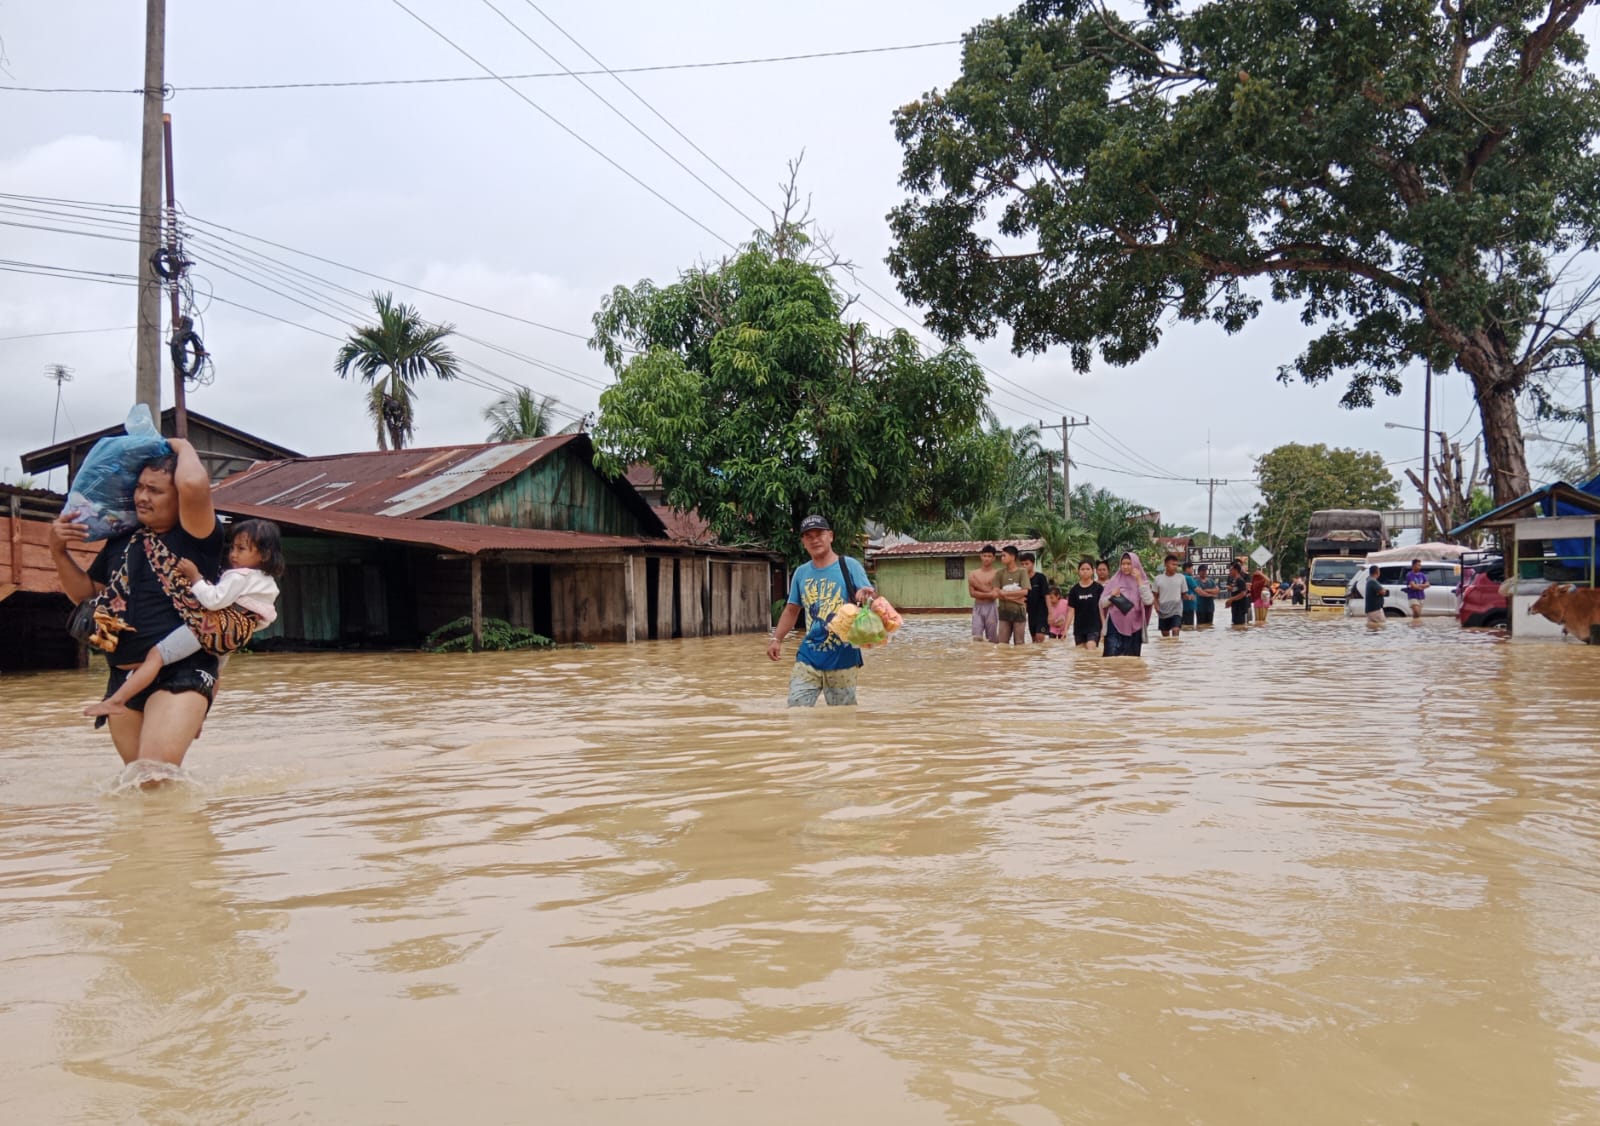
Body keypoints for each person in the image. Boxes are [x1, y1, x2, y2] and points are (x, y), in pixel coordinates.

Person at [50, 438, 225, 771]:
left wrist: (182, 445)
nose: (143, 497)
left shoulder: (196, 535)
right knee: (139, 782)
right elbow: (87, 596)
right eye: (140, 488)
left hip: (182, 671)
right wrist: (58, 552)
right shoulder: (123, 540)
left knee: (154, 773)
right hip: (123, 677)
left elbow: (193, 484)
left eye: (155, 491)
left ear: (179, 498)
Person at [83, 519, 284, 718]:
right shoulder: (268, 582)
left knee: (155, 656)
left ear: (264, 554)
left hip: (211, 627)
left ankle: (117, 700)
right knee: (214, 673)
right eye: (233, 547)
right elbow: (264, 618)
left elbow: (213, 601)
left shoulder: (240, 576)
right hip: (235, 634)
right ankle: (199, 719)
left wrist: (195, 577)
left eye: (241, 549)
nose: (233, 554)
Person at [768, 514, 876, 706]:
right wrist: (777, 639)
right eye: (809, 536)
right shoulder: (801, 572)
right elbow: (792, 610)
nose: (815, 540)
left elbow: (872, 600)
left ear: (831, 536)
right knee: (796, 707)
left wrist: (866, 596)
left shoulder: (849, 566)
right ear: (803, 542)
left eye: (819, 534)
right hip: (809, 654)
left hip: (844, 655)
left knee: (842, 715)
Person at [1099, 551, 1154, 657]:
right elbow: (1102, 604)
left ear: (1135, 564)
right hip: (1114, 626)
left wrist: (1139, 580)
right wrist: (1112, 596)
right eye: (1123, 564)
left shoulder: (1143, 583)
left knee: (1131, 661)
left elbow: (1148, 601)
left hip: (1135, 628)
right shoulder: (1114, 581)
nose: (1125, 567)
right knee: (1110, 660)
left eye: (1129, 564)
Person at [995, 544, 1029, 646]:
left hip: (1019, 612)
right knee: (1002, 643)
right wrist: (1016, 598)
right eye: (1001, 556)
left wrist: (1005, 594)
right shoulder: (999, 573)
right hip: (1004, 611)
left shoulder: (1022, 572)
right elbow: (996, 592)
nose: (1002, 558)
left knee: (1019, 643)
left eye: (1004, 555)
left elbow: (1025, 592)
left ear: (1013, 557)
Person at [1066, 559, 1103, 648]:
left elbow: (1102, 609)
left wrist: (1104, 627)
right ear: (1078, 571)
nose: (1085, 571)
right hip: (1079, 628)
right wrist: (1065, 629)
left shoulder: (1098, 588)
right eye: (1082, 569)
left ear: (1092, 571)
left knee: (1090, 648)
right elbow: (1071, 611)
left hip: (1094, 627)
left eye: (1088, 569)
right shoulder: (1074, 590)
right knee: (1080, 653)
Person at [968, 544, 1000, 643]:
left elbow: (995, 595)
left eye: (989, 556)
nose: (986, 558)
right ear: (981, 556)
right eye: (984, 556)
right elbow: (972, 593)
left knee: (992, 638)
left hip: (991, 607)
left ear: (994, 558)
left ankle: (992, 653)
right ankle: (979, 653)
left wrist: (978, 585)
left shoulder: (997, 574)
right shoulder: (973, 574)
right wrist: (989, 593)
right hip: (978, 607)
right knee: (977, 637)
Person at [1153, 553, 1187, 639]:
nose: (1175, 567)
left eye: (1176, 565)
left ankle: (1176, 646)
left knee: (1176, 630)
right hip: (1163, 610)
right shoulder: (1158, 579)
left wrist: (1189, 597)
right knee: (1165, 635)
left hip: (1176, 610)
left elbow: (1183, 594)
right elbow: (1155, 596)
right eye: (1173, 564)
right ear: (1166, 564)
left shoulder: (1181, 578)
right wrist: (1156, 606)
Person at [1021, 551, 1050, 642]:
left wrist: (1051, 612)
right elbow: (1023, 598)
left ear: (1033, 564)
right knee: (1033, 639)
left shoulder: (1040, 577)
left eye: (1027, 564)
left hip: (1042, 612)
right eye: (1022, 564)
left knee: (1039, 637)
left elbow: (1046, 595)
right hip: (1031, 613)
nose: (1024, 566)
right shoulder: (1022, 580)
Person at [1223, 561, 1252, 627]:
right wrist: (1231, 601)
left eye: (1231, 570)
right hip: (1235, 607)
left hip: (1240, 608)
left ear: (1235, 570)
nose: (1230, 571)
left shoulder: (1240, 580)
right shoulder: (1234, 580)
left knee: (1240, 626)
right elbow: (1236, 592)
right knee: (1235, 626)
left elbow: (1243, 593)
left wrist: (1231, 599)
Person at [1194, 563, 1219, 628]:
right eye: (1202, 571)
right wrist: (1211, 594)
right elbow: (1200, 592)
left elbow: (1217, 590)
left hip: (1210, 608)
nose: (1204, 572)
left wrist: (1206, 590)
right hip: (1200, 608)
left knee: (1210, 626)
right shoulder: (1196, 581)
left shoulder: (1211, 581)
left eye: (1205, 570)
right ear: (1199, 572)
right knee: (1200, 627)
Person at [1180, 560, 1199, 630]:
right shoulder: (1189, 578)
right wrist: (1209, 594)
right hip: (1189, 606)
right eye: (1192, 569)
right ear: (1187, 568)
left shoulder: (1179, 577)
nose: (1192, 571)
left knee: (1181, 627)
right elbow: (1198, 590)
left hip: (1180, 606)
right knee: (1189, 628)